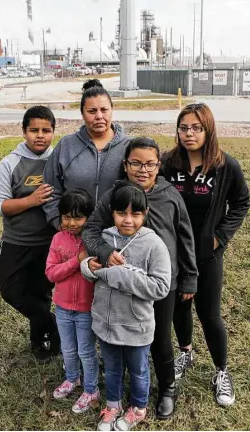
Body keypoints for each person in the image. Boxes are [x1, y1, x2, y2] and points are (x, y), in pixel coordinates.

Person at [82, 137, 198, 420]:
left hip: (162, 282)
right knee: (124, 337)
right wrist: (106, 252)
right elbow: (90, 230)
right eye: (135, 163)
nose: (142, 170)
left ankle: (168, 388)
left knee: (159, 338)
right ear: (126, 165)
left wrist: (190, 277)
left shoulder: (170, 195)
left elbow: (185, 236)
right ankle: (121, 392)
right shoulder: (115, 195)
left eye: (149, 164)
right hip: (121, 286)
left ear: (158, 166)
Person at [161, 102, 250, 407]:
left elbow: (242, 203)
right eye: (183, 127)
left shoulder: (226, 167)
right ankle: (185, 353)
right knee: (178, 309)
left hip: (206, 255)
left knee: (209, 314)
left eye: (196, 127)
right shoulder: (167, 163)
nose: (189, 133)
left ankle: (221, 371)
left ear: (208, 129)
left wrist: (219, 237)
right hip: (172, 256)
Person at [81, 181, 172, 431]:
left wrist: (117, 275)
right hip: (105, 323)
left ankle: (138, 408)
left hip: (136, 326)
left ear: (146, 213)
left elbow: (161, 287)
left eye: (136, 213)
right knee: (111, 368)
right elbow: (91, 269)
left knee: (139, 370)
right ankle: (113, 405)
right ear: (112, 213)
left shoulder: (155, 245)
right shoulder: (105, 238)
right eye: (121, 213)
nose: (128, 220)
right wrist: (88, 267)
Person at [0, 105, 60, 363]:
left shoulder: (58, 160)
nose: (40, 135)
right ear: (24, 131)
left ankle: (42, 342)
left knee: (41, 292)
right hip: (17, 241)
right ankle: (51, 325)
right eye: (34, 130)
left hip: (50, 242)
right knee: (11, 291)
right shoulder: (10, 163)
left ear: (53, 132)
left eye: (46, 130)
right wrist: (31, 201)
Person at [43, 79, 130, 230]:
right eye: (92, 111)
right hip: (74, 234)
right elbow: (50, 190)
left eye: (104, 110)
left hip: (116, 235)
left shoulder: (129, 147)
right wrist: (59, 222)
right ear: (82, 114)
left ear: (112, 110)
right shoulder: (66, 146)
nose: (99, 116)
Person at [45, 189, 100, 414]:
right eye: (66, 217)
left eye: (78, 217)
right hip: (63, 307)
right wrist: (76, 262)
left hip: (87, 309)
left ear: (89, 217)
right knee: (68, 349)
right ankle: (72, 379)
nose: (71, 223)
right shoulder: (58, 239)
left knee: (86, 351)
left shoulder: (95, 242)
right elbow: (51, 274)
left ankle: (91, 389)